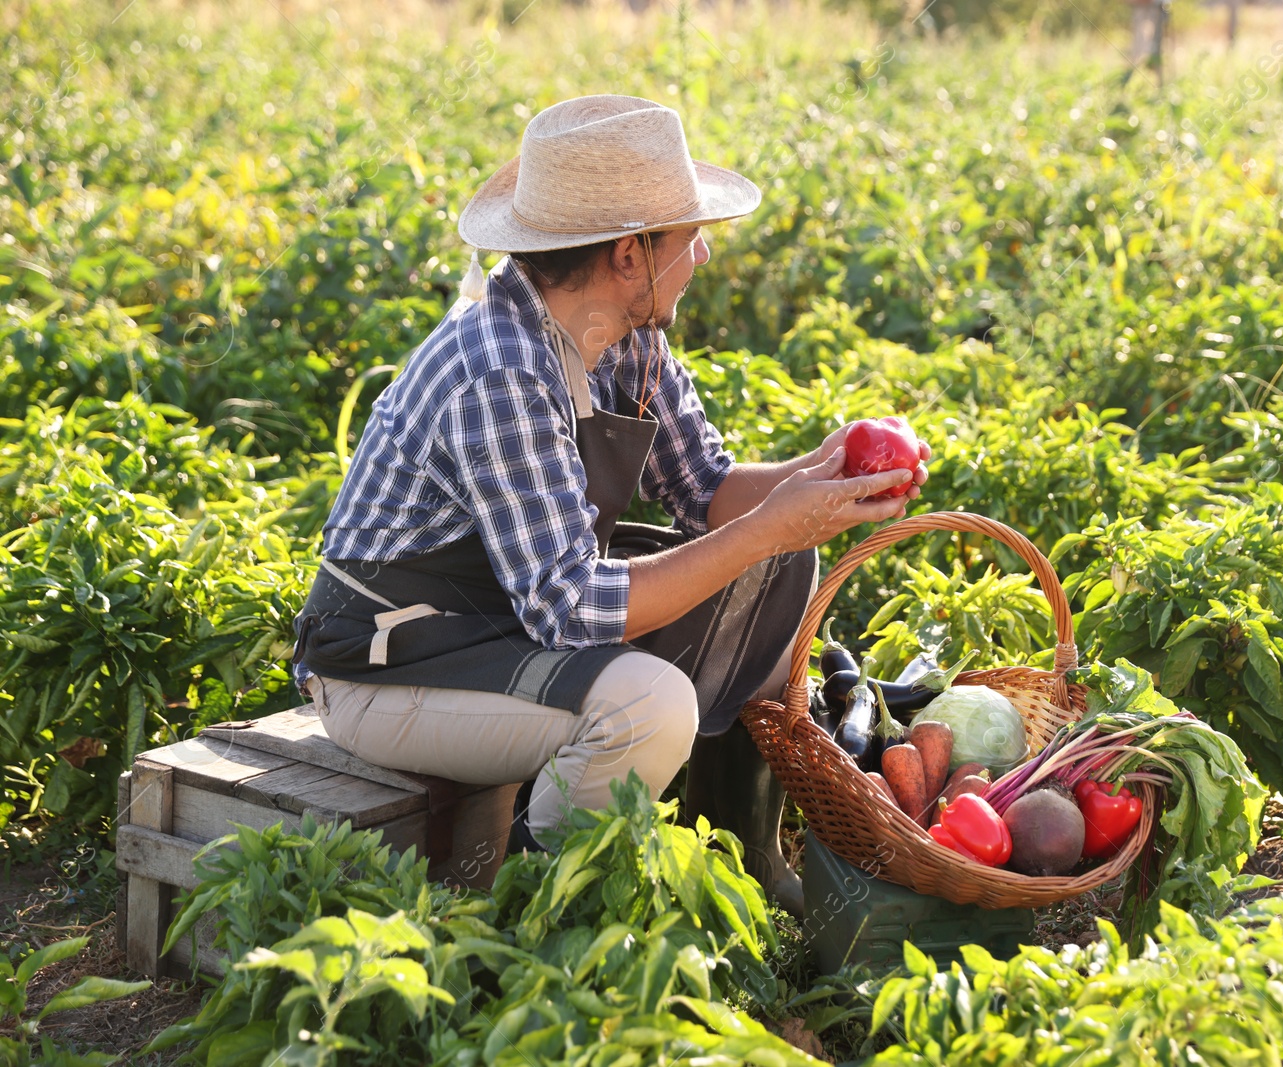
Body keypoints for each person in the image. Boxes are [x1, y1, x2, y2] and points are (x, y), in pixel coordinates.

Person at [289, 94, 930, 914]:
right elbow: (570, 608)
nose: (700, 252)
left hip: (498, 623)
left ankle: (739, 855)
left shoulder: (625, 337)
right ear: (631, 254)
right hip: (391, 665)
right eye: (686, 235)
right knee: (649, 705)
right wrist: (770, 523)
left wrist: (826, 469)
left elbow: (704, 488)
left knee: (777, 564)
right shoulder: (502, 366)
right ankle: (531, 918)